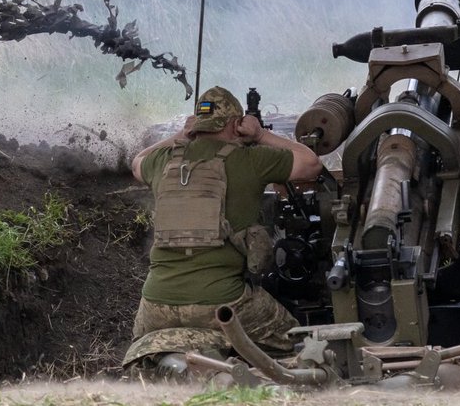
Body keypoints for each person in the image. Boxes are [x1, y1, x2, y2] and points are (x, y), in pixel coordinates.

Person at [124, 85, 323, 366]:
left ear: (198, 125)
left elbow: (136, 162)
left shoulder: (162, 161)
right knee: (296, 342)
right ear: (234, 125)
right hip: (221, 303)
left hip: (155, 306)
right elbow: (311, 163)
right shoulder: (251, 160)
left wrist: (179, 136)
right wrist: (260, 134)